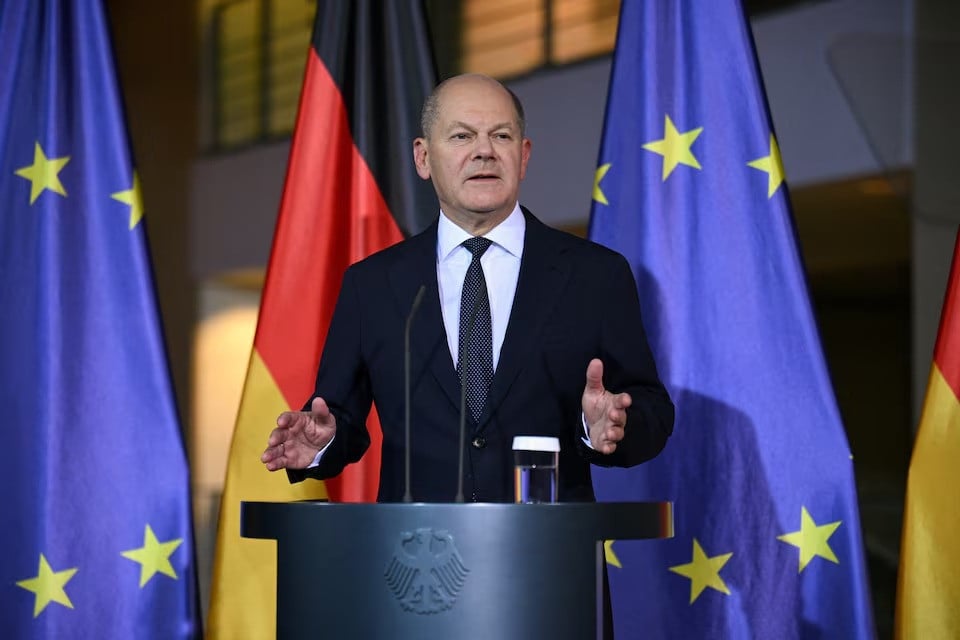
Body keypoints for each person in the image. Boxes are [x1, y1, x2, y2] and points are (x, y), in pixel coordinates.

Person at [261, 73, 673, 503]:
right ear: (423, 158)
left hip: (552, 557)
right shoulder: (373, 284)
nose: (484, 151)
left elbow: (651, 410)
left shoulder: (595, 274)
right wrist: (321, 442)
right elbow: (339, 416)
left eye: (501, 135)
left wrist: (608, 425)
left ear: (524, 155)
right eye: (462, 136)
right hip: (417, 557)